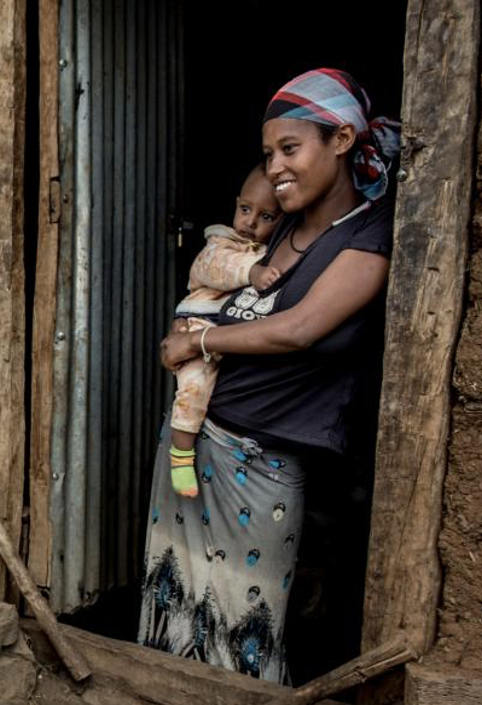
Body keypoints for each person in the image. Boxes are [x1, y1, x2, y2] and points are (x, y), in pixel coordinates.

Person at [139, 68, 400, 683]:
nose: (277, 166)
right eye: (268, 153)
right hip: (192, 444)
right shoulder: (277, 224)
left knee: (243, 620)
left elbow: (299, 329)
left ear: (339, 140)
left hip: (263, 462)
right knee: (175, 602)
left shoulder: (367, 236)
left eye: (290, 148)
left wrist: (196, 340)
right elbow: (216, 275)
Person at [167, 166, 283, 498]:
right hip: (198, 325)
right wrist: (253, 272)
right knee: (193, 390)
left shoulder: (271, 251)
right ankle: (181, 456)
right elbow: (215, 269)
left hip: (227, 341)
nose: (250, 222)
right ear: (235, 205)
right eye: (245, 210)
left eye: (266, 216)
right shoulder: (221, 242)